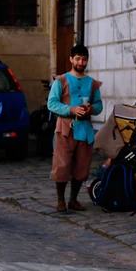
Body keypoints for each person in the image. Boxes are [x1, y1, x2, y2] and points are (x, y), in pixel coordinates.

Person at [48, 44, 103, 212]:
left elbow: (99, 105)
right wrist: (71, 109)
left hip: (84, 130)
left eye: (84, 59)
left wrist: (91, 109)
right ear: (71, 59)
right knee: (62, 165)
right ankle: (60, 200)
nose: (81, 62)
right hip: (65, 129)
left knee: (82, 166)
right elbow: (52, 103)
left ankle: (73, 200)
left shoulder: (92, 84)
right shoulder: (61, 80)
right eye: (78, 58)